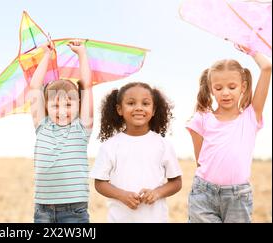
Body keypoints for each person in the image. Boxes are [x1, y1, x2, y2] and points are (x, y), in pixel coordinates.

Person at [186, 45, 271, 223]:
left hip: (238, 198)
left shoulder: (251, 116)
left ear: (243, 86)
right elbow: (200, 161)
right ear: (211, 88)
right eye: (218, 88)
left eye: (232, 87)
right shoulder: (202, 119)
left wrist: (252, 50)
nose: (225, 93)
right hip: (203, 195)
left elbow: (267, 67)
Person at [90, 82, 182, 222]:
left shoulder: (163, 145)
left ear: (154, 110)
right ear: (119, 109)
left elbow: (176, 182)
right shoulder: (110, 146)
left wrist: (157, 193)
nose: (139, 108)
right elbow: (100, 183)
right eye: (131, 103)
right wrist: (121, 195)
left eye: (145, 104)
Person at [29, 40, 93, 223]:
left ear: (79, 104)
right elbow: (34, 87)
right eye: (55, 105)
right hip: (43, 209)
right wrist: (46, 56)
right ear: (46, 106)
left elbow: (87, 87)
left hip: (74, 210)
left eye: (68, 104)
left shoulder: (82, 128)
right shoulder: (42, 125)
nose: (62, 110)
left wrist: (81, 54)